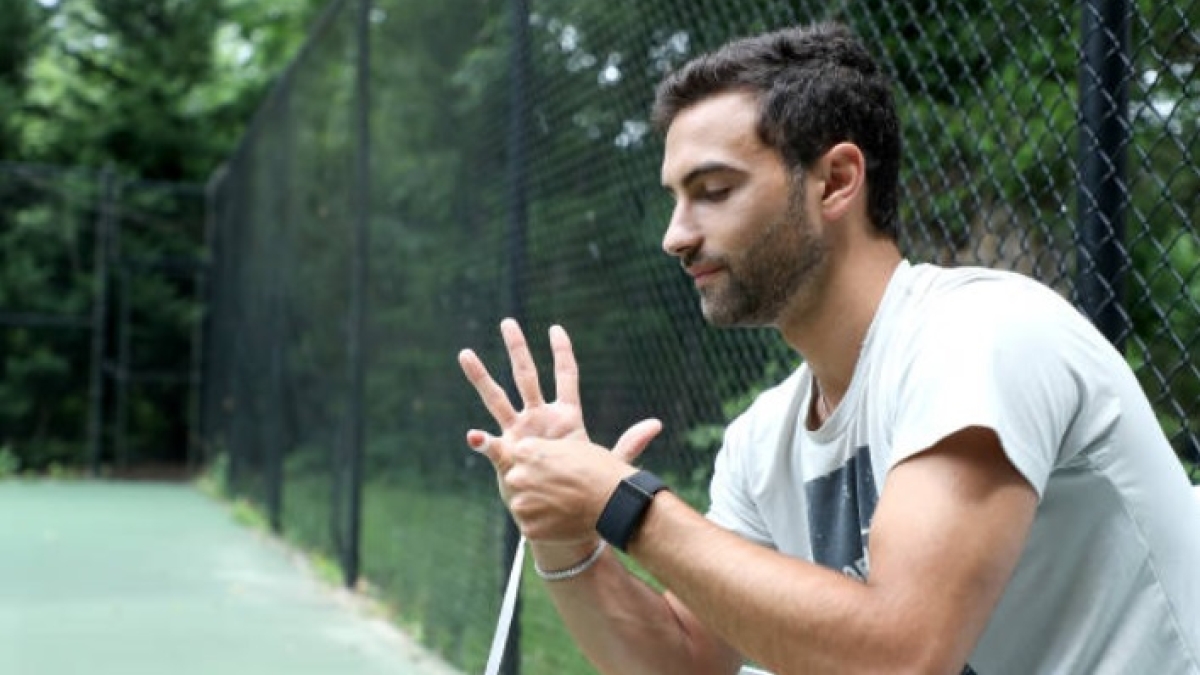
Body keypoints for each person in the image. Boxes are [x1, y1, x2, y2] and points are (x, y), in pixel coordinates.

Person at [457, 22, 1200, 674]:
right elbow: (686, 660)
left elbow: (903, 653)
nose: (675, 235)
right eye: (675, 197)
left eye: (712, 190)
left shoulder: (982, 335)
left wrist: (624, 502)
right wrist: (565, 534)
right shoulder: (761, 441)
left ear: (837, 180)